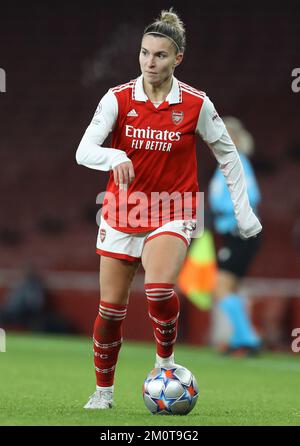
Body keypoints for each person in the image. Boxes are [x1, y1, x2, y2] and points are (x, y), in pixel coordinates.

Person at [75, 9, 262, 409]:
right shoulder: (118, 98)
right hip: (123, 211)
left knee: (159, 289)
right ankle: (103, 392)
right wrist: (112, 158)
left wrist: (244, 213)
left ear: (177, 58)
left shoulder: (196, 104)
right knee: (110, 311)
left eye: (159, 55)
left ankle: (165, 365)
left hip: (174, 208)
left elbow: (229, 156)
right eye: (144, 53)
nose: (149, 62)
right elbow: (83, 151)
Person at [208, 117, 262, 355]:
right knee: (230, 287)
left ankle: (248, 338)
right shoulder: (227, 164)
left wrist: (223, 211)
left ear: (237, 140)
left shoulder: (238, 162)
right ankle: (241, 338)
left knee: (221, 286)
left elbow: (251, 197)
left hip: (240, 232)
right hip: (233, 234)